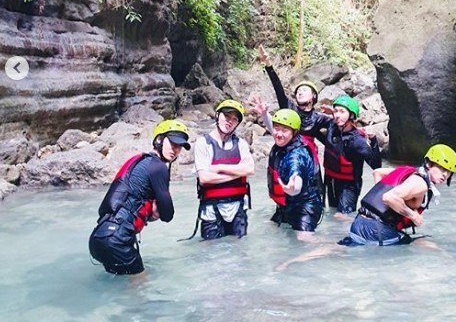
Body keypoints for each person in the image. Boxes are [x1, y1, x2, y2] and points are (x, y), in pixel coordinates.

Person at [89, 119, 189, 275]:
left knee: (121, 290)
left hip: (99, 237)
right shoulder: (158, 167)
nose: (176, 149)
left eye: (180, 146)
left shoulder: (140, 161)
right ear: (159, 140)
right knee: (140, 288)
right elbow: (168, 214)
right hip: (117, 239)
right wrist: (153, 210)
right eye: (173, 143)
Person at [339, 143, 456, 246]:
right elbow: (389, 197)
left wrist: (379, 204)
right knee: (421, 243)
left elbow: (378, 172)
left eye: (449, 172)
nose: (445, 174)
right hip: (376, 231)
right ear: (429, 164)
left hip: (359, 223)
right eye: (441, 168)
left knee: (343, 248)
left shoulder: (409, 171)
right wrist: (413, 216)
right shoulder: (420, 183)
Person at [257, 45, 330, 170]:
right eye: (298, 91)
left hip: (309, 161)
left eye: (304, 90)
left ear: (313, 96)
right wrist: (269, 65)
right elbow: (278, 88)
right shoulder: (290, 109)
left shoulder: (318, 118)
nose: (300, 92)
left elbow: (338, 132)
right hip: (287, 156)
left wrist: (336, 115)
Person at [193, 99, 255, 240]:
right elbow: (204, 179)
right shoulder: (203, 144)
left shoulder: (241, 144)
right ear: (217, 115)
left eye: (234, 119)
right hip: (211, 211)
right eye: (226, 116)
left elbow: (250, 169)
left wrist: (219, 168)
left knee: (240, 256)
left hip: (238, 209)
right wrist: (237, 173)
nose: (229, 121)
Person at [317, 95, 382, 216]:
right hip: (331, 180)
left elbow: (376, 165)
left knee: (342, 217)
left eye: (342, 112)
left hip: (349, 185)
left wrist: (373, 141)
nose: (337, 115)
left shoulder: (357, 141)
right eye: (336, 111)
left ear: (351, 115)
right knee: (332, 213)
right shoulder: (332, 126)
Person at [267, 108, 323, 239]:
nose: (278, 134)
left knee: (304, 240)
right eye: (276, 128)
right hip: (286, 205)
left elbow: (296, 176)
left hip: (305, 207)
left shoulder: (296, 156)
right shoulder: (283, 143)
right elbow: (277, 131)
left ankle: (331, 248)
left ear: (294, 132)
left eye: (284, 130)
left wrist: (292, 189)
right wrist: (264, 114)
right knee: (272, 229)